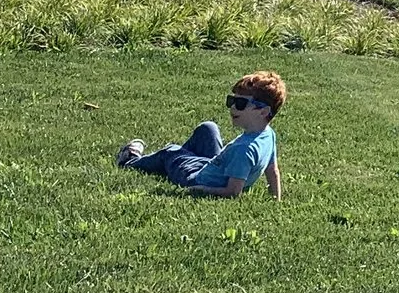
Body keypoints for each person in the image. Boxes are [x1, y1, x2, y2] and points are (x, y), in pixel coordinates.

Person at [116, 71, 284, 199]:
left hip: (196, 178)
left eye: (240, 104)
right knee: (208, 128)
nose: (232, 107)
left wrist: (200, 189)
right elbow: (273, 171)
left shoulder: (244, 150)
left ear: (263, 111)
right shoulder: (268, 134)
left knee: (170, 151)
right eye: (231, 101)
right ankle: (177, 161)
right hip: (214, 168)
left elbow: (232, 191)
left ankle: (129, 161)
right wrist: (276, 199)